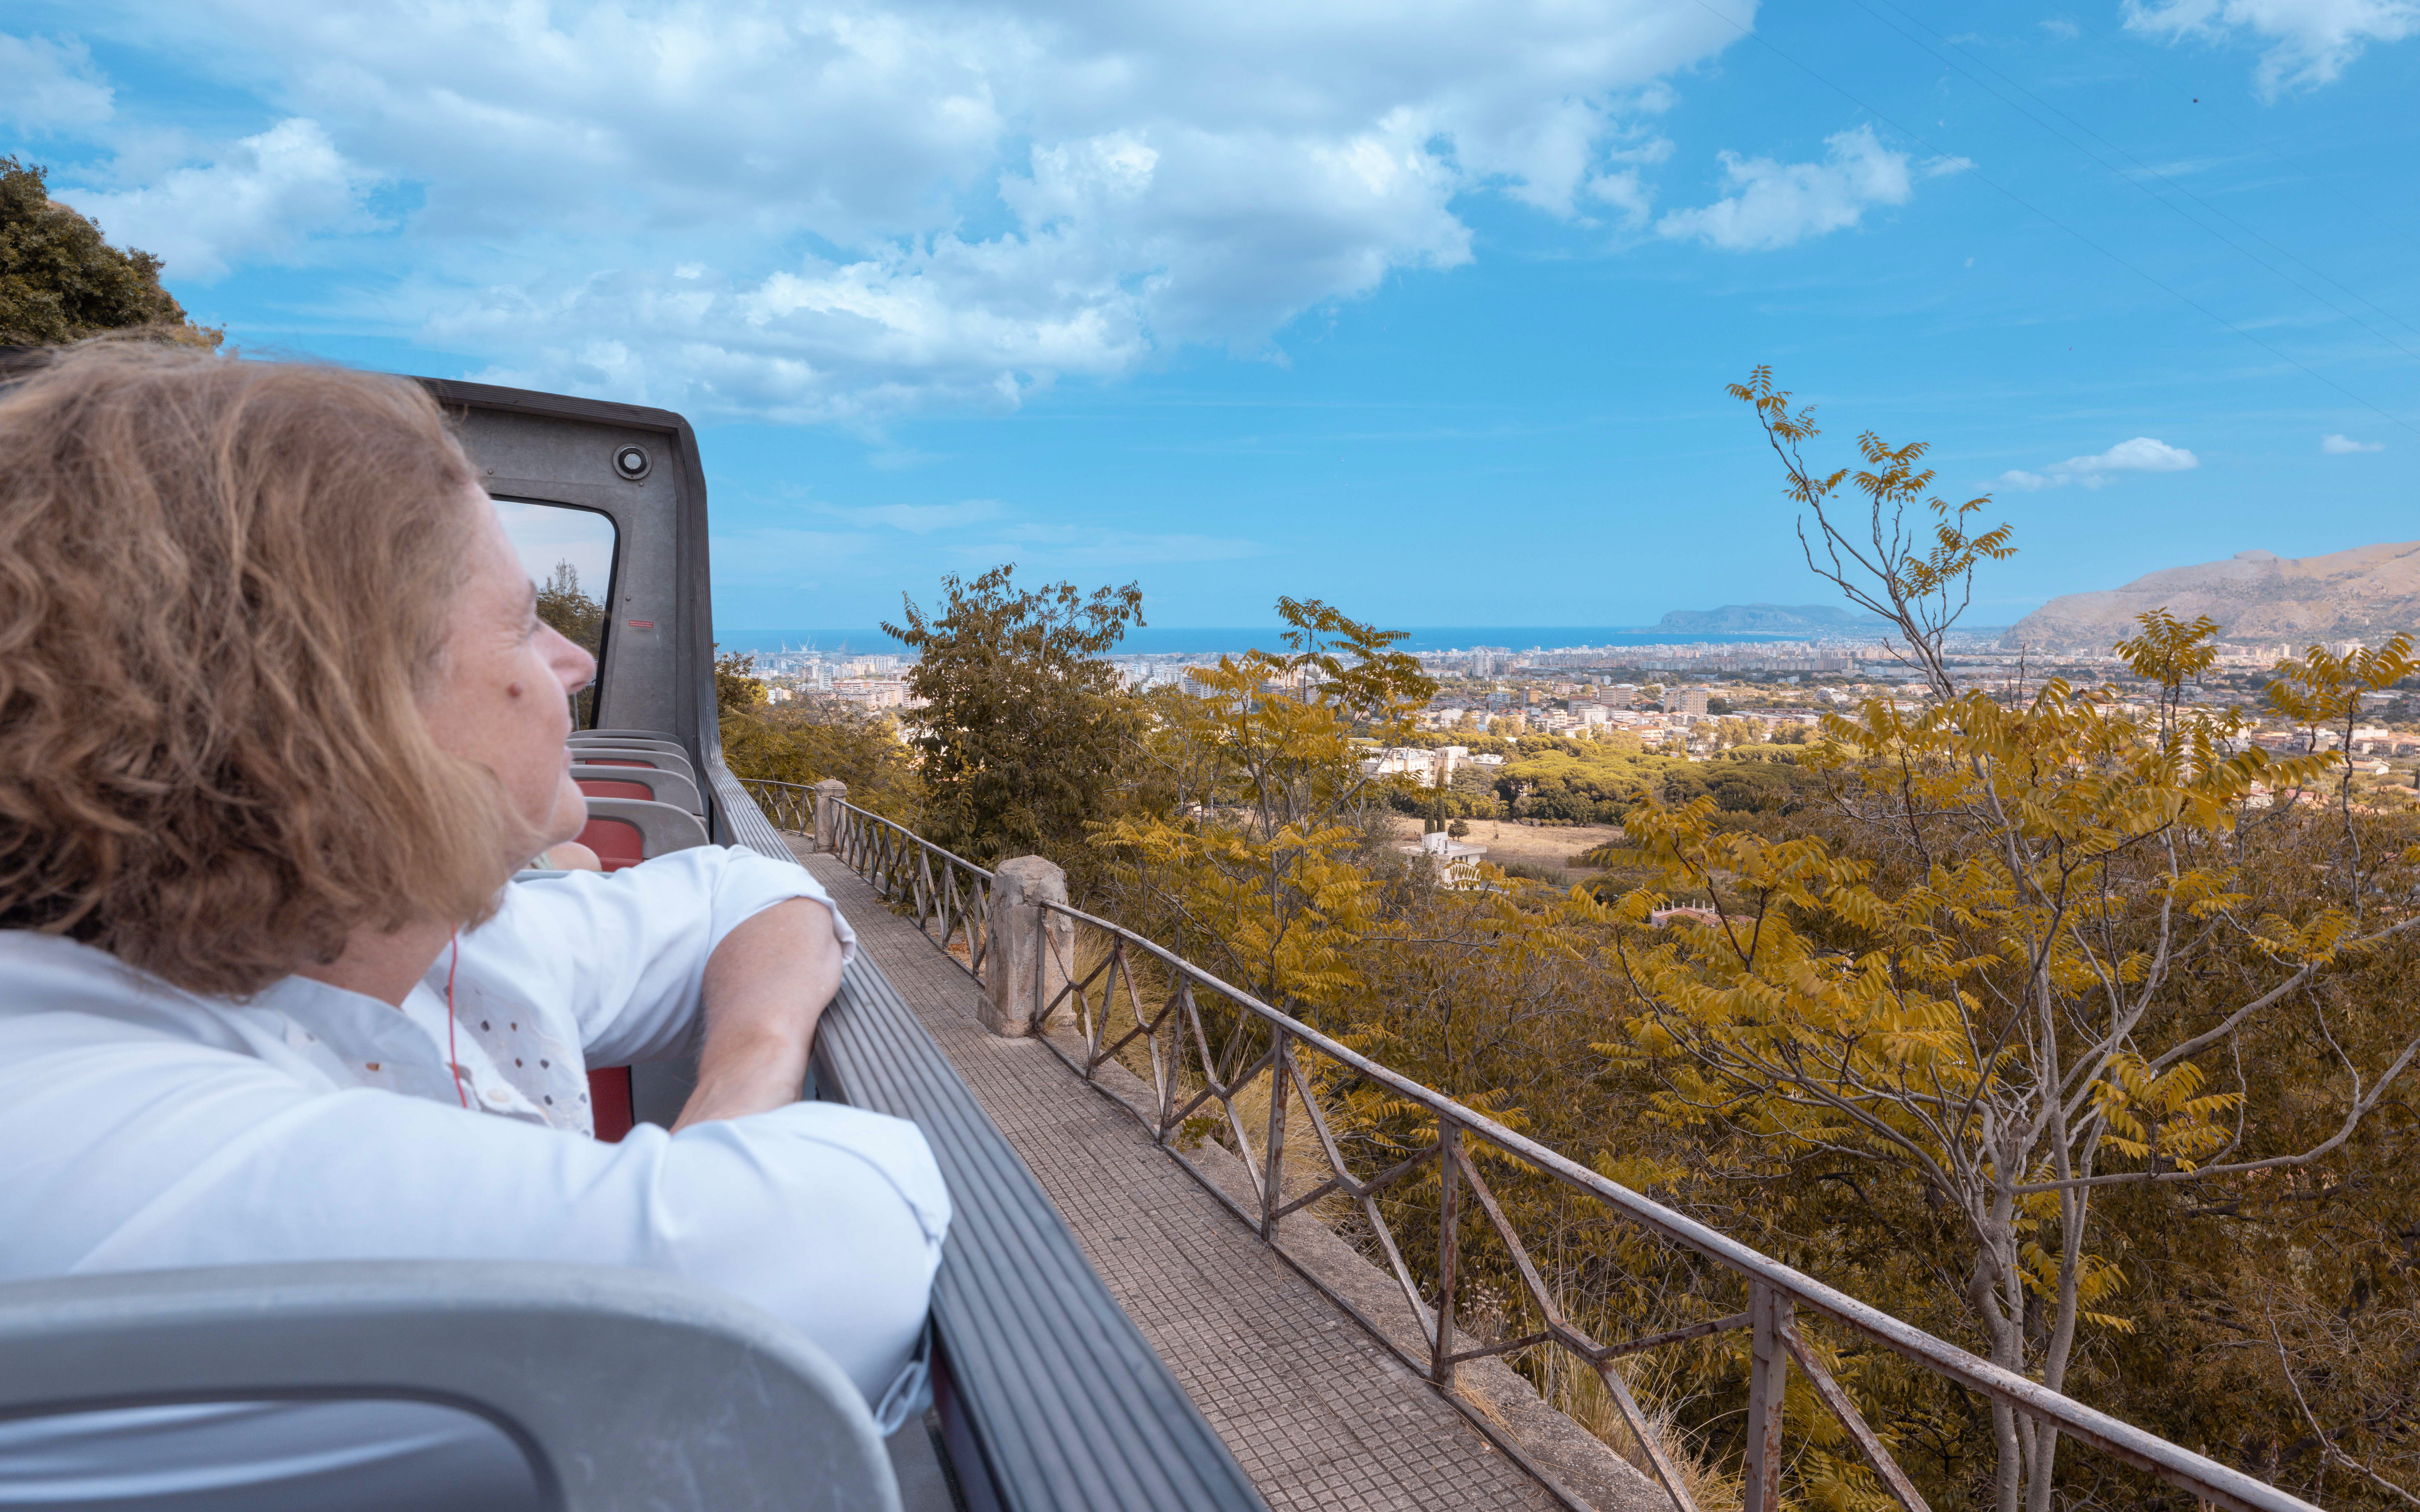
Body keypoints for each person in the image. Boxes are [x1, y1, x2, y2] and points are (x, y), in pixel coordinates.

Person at [0, 346, 948, 1507]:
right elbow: (819, 1248)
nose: (576, 660)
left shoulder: (383, 943)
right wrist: (741, 1102)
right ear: (350, 713)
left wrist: (742, 1058)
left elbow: (738, 893)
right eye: (520, 625)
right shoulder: (98, 1134)